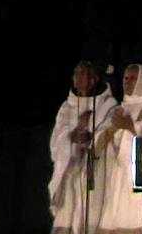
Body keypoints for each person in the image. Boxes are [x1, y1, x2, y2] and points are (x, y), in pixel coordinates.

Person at [48, 61, 118, 234]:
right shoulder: (67, 107)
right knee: (67, 214)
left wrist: (90, 137)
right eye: (75, 74)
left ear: (93, 79)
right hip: (70, 170)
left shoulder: (108, 104)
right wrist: (72, 136)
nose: (77, 78)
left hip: (95, 171)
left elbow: (109, 131)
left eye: (82, 74)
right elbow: (57, 138)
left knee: (89, 213)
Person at [96, 64, 142, 233]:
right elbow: (99, 144)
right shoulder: (121, 108)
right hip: (120, 181)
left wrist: (129, 125)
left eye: (133, 78)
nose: (127, 82)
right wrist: (109, 132)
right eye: (125, 78)